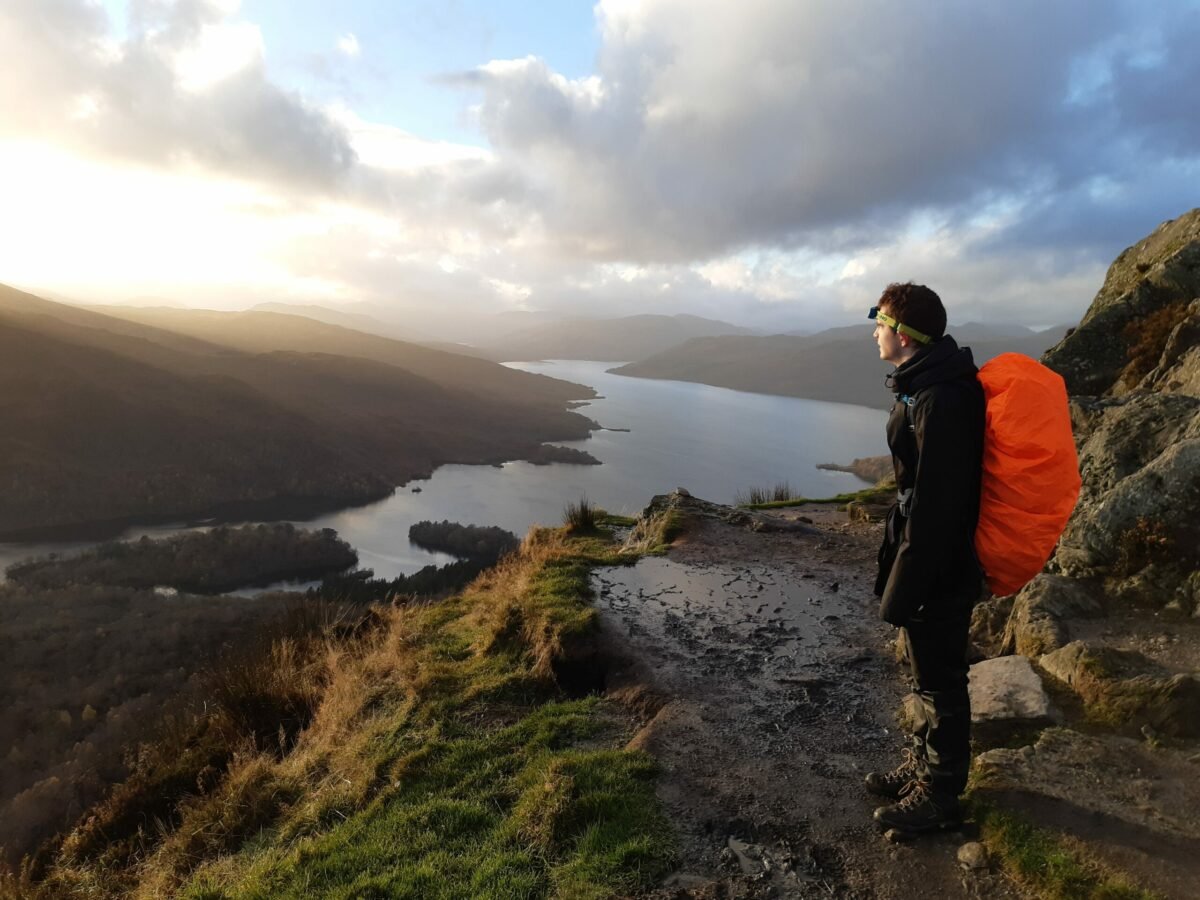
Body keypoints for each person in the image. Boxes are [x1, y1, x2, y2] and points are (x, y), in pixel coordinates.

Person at [865, 282, 985, 834]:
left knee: (941, 679)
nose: (874, 331)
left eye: (880, 321)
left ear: (905, 336)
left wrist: (904, 586)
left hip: (940, 563)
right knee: (925, 674)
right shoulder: (924, 386)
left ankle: (941, 796)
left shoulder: (943, 399)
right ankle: (923, 770)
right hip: (925, 555)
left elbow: (937, 509)